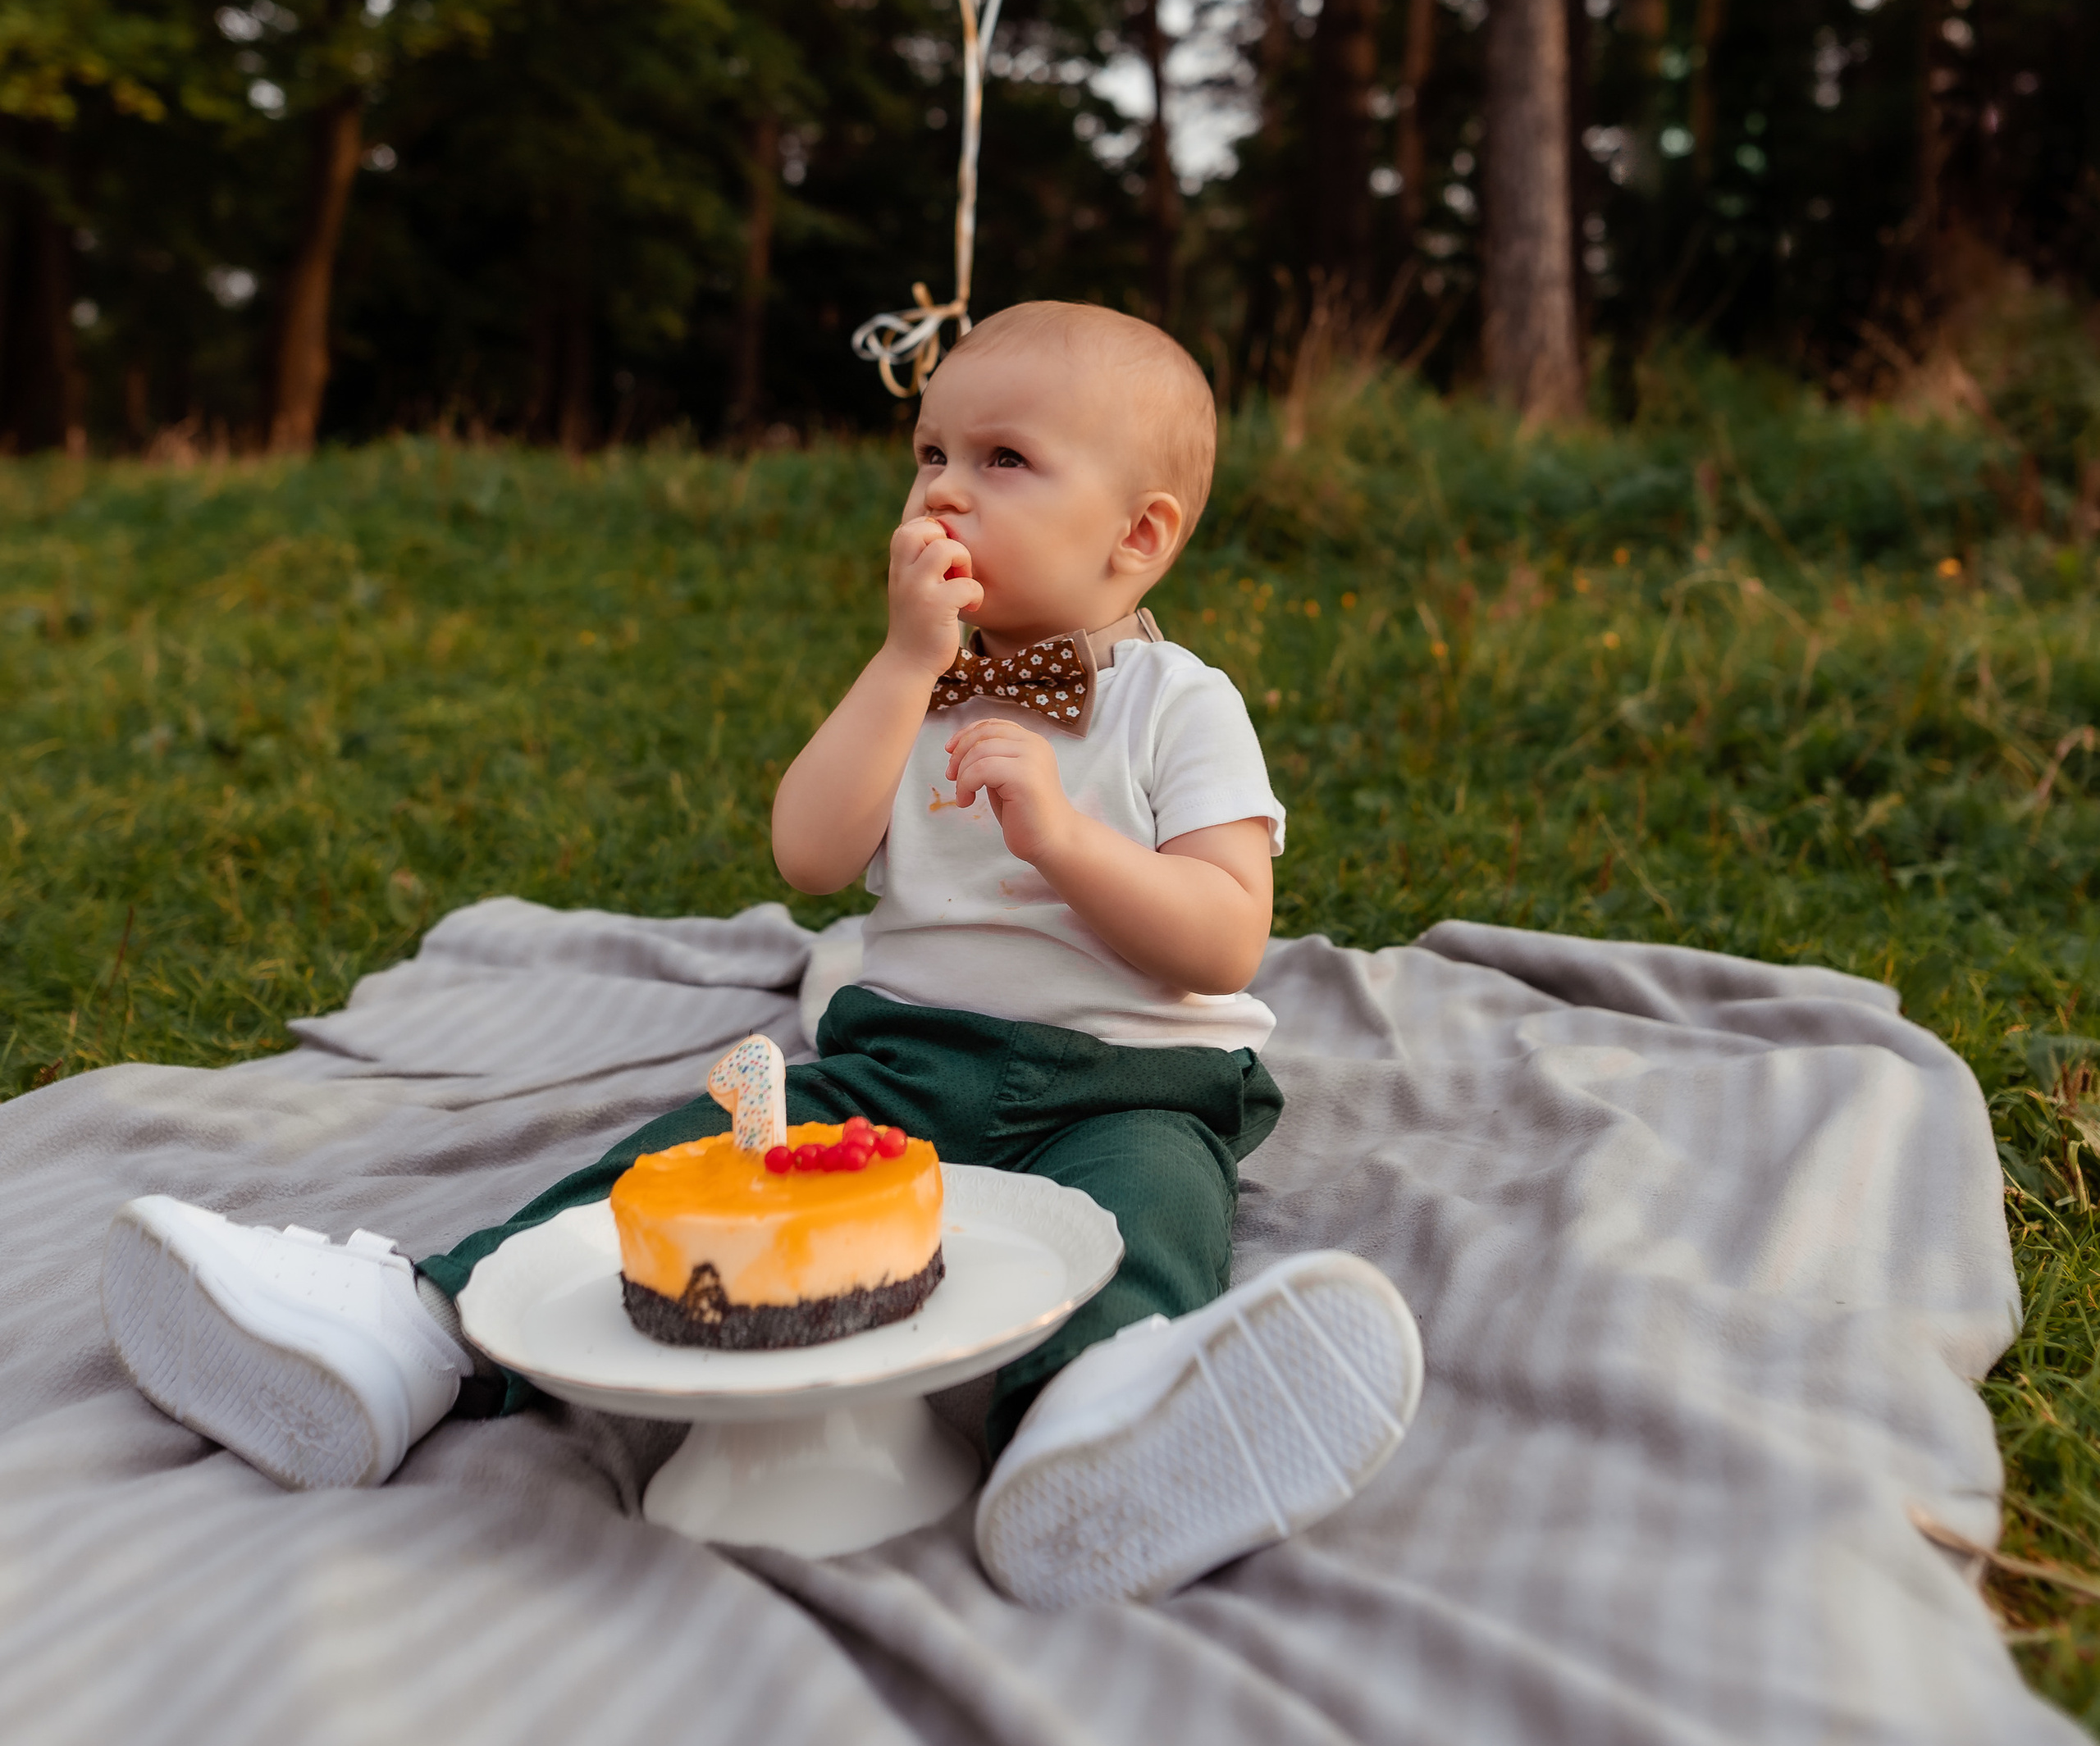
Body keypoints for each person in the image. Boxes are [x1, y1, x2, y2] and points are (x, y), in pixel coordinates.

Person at [101, 302, 1422, 1607]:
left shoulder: (1181, 704)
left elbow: (1222, 938)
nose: (944, 490)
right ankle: (409, 1334)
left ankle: (1096, 1431)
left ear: (1139, 535)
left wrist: (1068, 841)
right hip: (904, 1064)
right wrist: (903, 666)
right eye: (930, 455)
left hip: (1127, 1082)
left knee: (1150, 1220)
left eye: (1004, 459)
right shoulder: (916, 681)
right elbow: (809, 854)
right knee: (684, 1170)